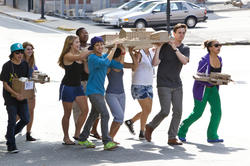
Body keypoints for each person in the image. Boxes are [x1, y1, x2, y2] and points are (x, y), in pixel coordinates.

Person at [144, 23, 190, 145]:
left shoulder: (185, 48)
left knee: (178, 111)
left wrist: (175, 48)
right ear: (173, 33)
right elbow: (155, 63)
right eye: (179, 32)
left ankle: (172, 137)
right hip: (163, 83)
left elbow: (184, 61)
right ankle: (150, 126)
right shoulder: (165, 47)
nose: (181, 35)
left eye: (183, 33)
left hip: (177, 84)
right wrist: (159, 47)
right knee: (165, 111)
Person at [78, 36, 123, 150]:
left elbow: (118, 65)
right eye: (97, 45)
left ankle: (82, 138)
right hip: (93, 91)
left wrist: (123, 53)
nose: (100, 46)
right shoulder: (92, 57)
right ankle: (107, 141)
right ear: (93, 47)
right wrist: (113, 49)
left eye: (101, 44)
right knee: (105, 114)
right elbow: (104, 63)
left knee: (93, 115)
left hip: (99, 91)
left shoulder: (104, 56)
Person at [178, 40, 224, 143]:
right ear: (210, 48)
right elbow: (199, 76)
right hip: (202, 89)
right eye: (216, 45)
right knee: (197, 113)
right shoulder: (204, 60)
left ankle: (212, 135)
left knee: (217, 112)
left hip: (213, 89)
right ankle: (181, 130)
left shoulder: (220, 59)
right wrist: (210, 79)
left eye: (220, 45)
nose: (219, 47)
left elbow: (218, 76)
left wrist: (223, 80)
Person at [58, 35, 90, 145]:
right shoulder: (68, 56)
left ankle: (77, 134)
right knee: (67, 114)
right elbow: (80, 56)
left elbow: (86, 71)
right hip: (67, 87)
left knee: (85, 110)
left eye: (78, 42)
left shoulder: (79, 55)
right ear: (70, 44)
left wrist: (86, 61)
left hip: (78, 86)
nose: (79, 44)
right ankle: (66, 137)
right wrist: (89, 50)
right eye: (76, 42)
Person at [0, 43, 30, 153]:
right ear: (12, 54)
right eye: (17, 52)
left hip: (22, 96)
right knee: (12, 120)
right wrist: (16, 94)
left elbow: (27, 81)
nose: (20, 54)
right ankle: (11, 145)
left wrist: (25, 94)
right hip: (10, 97)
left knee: (26, 119)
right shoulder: (7, 66)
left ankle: (9, 135)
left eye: (21, 52)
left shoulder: (25, 64)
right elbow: (5, 84)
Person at [105, 45, 138, 143]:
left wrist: (131, 52)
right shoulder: (111, 64)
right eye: (122, 55)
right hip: (111, 94)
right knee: (119, 117)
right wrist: (124, 52)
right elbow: (118, 67)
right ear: (118, 55)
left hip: (121, 94)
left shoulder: (120, 63)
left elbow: (135, 66)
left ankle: (111, 138)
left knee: (119, 119)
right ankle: (108, 140)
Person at [124, 47, 155, 140]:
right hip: (139, 85)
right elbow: (135, 67)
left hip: (149, 84)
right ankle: (142, 132)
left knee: (148, 110)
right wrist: (132, 54)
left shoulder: (151, 52)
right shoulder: (139, 53)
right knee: (146, 109)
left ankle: (131, 121)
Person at [21, 42, 37, 141]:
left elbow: (35, 74)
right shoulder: (19, 61)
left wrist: (40, 79)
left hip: (31, 89)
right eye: (28, 49)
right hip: (21, 90)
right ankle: (11, 131)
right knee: (19, 114)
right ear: (23, 50)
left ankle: (28, 133)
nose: (30, 51)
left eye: (31, 49)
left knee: (31, 112)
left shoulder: (32, 61)